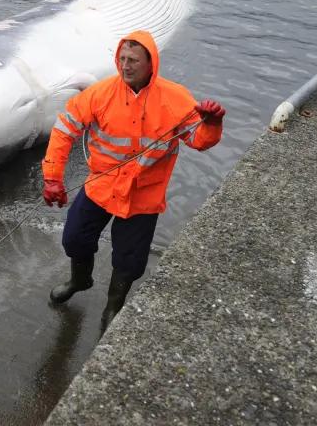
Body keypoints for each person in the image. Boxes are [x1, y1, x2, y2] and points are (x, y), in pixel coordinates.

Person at [41, 30, 225, 329]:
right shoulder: (100, 94)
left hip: (144, 195)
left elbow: (200, 141)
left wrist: (213, 122)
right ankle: (80, 280)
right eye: (122, 59)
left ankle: (113, 307)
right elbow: (64, 131)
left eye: (134, 61)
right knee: (75, 237)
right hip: (101, 185)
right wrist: (52, 178)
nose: (126, 66)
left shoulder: (175, 98)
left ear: (151, 64)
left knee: (130, 259)